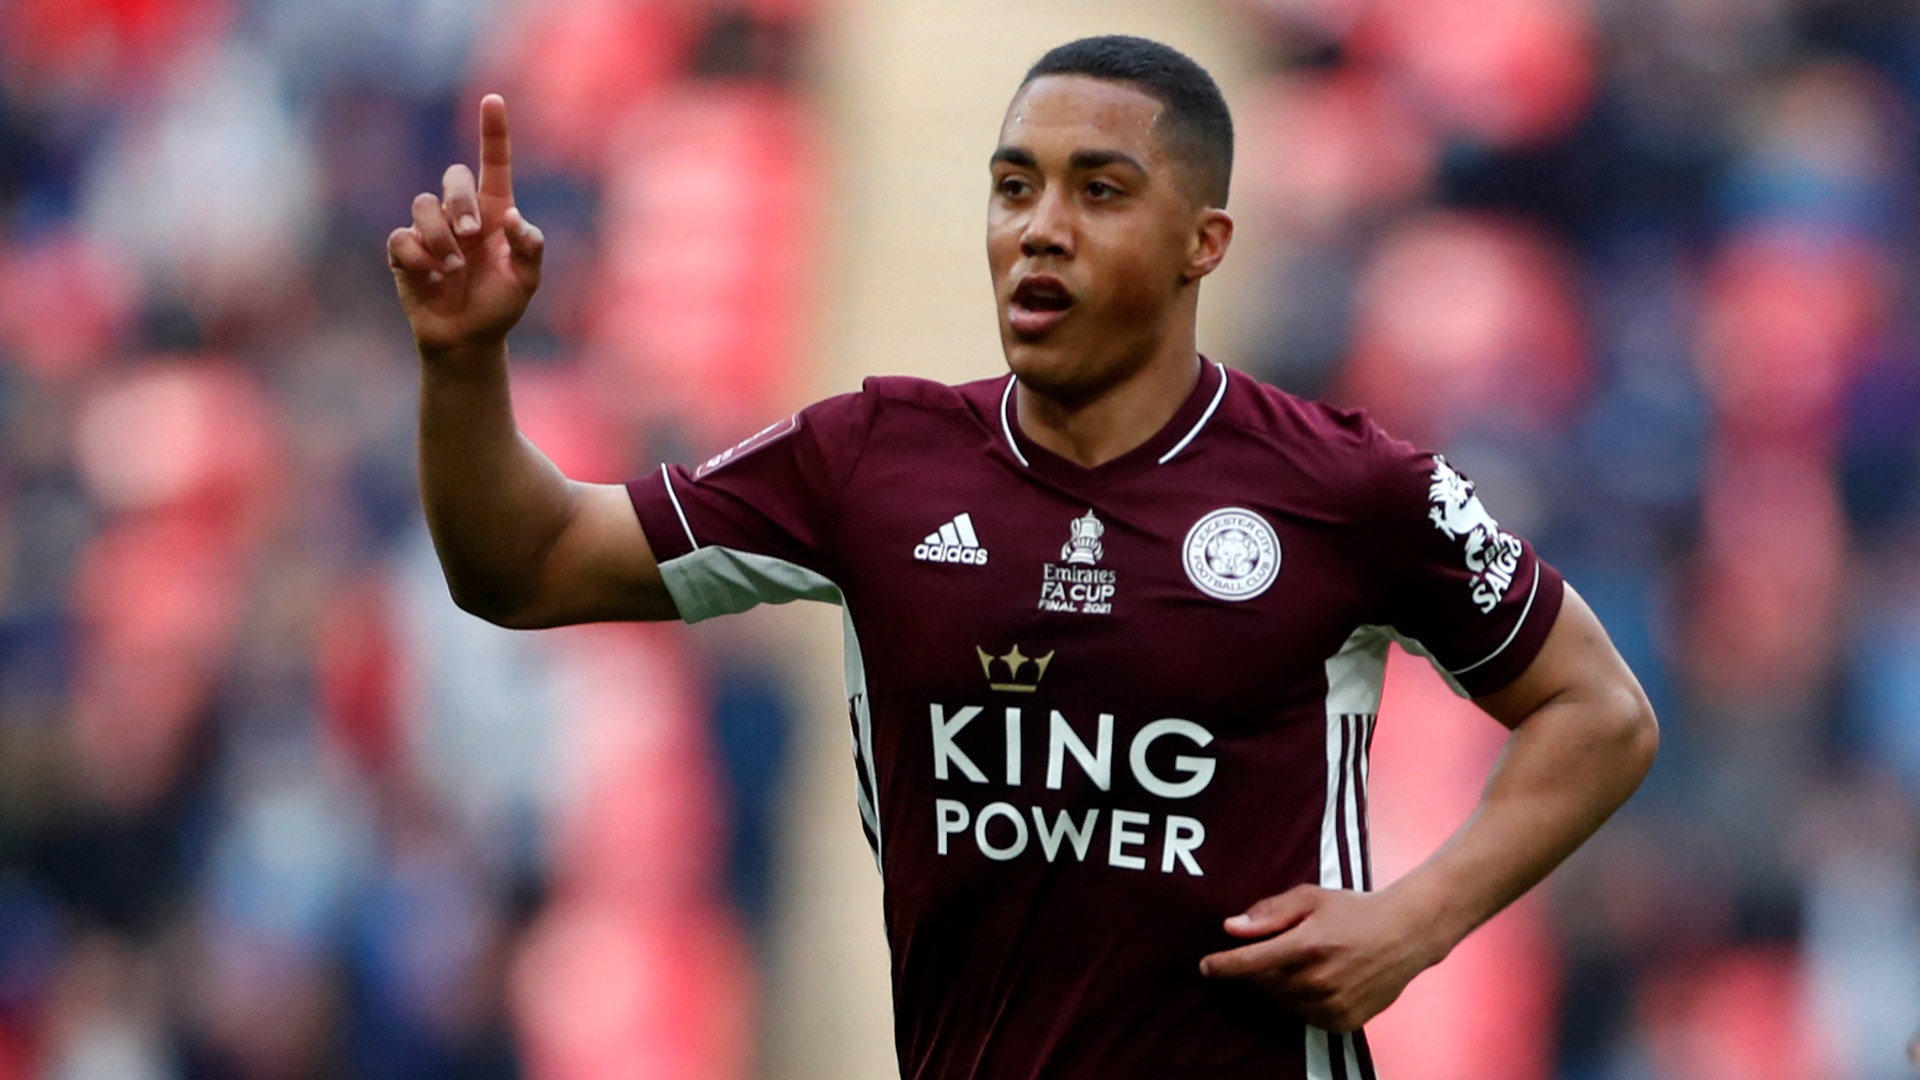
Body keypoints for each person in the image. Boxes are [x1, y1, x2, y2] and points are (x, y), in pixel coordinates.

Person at [388, 34, 1658, 1080]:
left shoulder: (1348, 488)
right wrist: (462, 362)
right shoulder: (871, 462)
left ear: (1204, 242)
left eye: (1099, 191)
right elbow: (527, 567)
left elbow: (1598, 712)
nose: (1040, 228)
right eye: (1014, 187)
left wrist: (1414, 923)